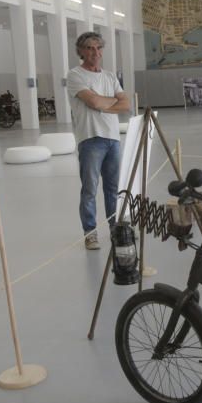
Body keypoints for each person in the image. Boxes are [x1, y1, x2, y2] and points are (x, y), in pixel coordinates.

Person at [67, 32, 130, 250]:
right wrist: (109, 101)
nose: (95, 52)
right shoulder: (75, 75)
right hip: (91, 139)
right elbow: (93, 102)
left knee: (114, 188)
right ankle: (90, 233)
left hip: (112, 139)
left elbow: (126, 105)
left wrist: (104, 103)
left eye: (98, 48)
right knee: (90, 190)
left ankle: (116, 230)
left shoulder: (110, 76)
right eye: (90, 48)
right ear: (81, 51)